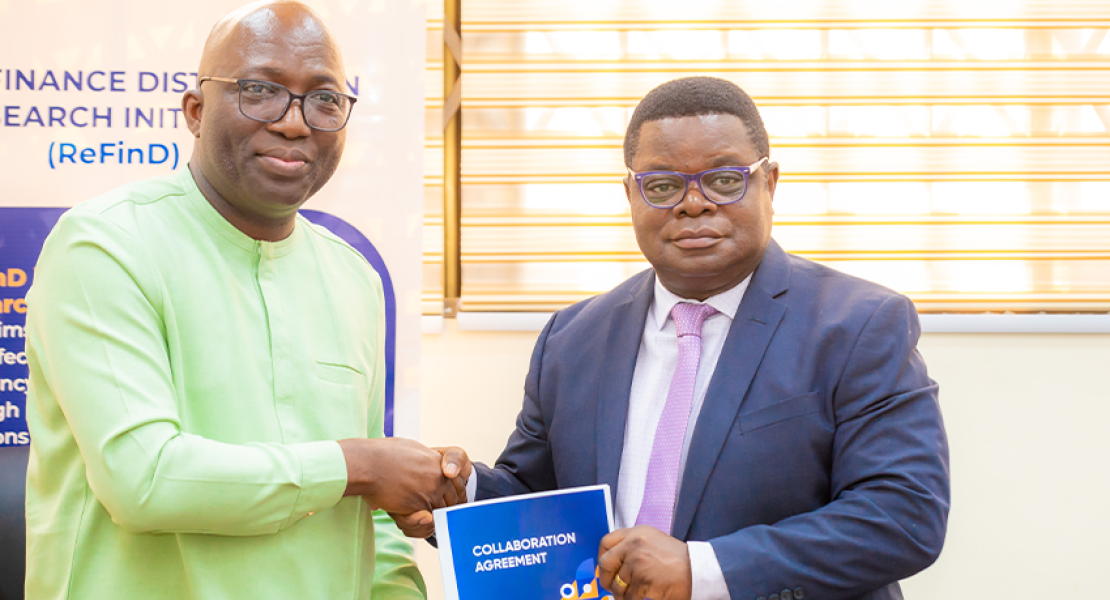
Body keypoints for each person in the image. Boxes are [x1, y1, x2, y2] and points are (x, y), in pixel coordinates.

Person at [405, 77, 949, 600]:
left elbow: (901, 514)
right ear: (631, 194)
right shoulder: (571, 339)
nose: (693, 203)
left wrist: (701, 571)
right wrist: (457, 490)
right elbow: (540, 503)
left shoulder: (859, 324)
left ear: (770, 182)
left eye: (724, 179)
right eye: (663, 185)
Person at [23, 2, 466, 598]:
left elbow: (371, 521)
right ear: (196, 111)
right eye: (260, 90)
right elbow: (145, 479)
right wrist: (360, 464)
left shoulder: (353, 277)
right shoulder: (104, 246)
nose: (294, 122)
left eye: (325, 99)